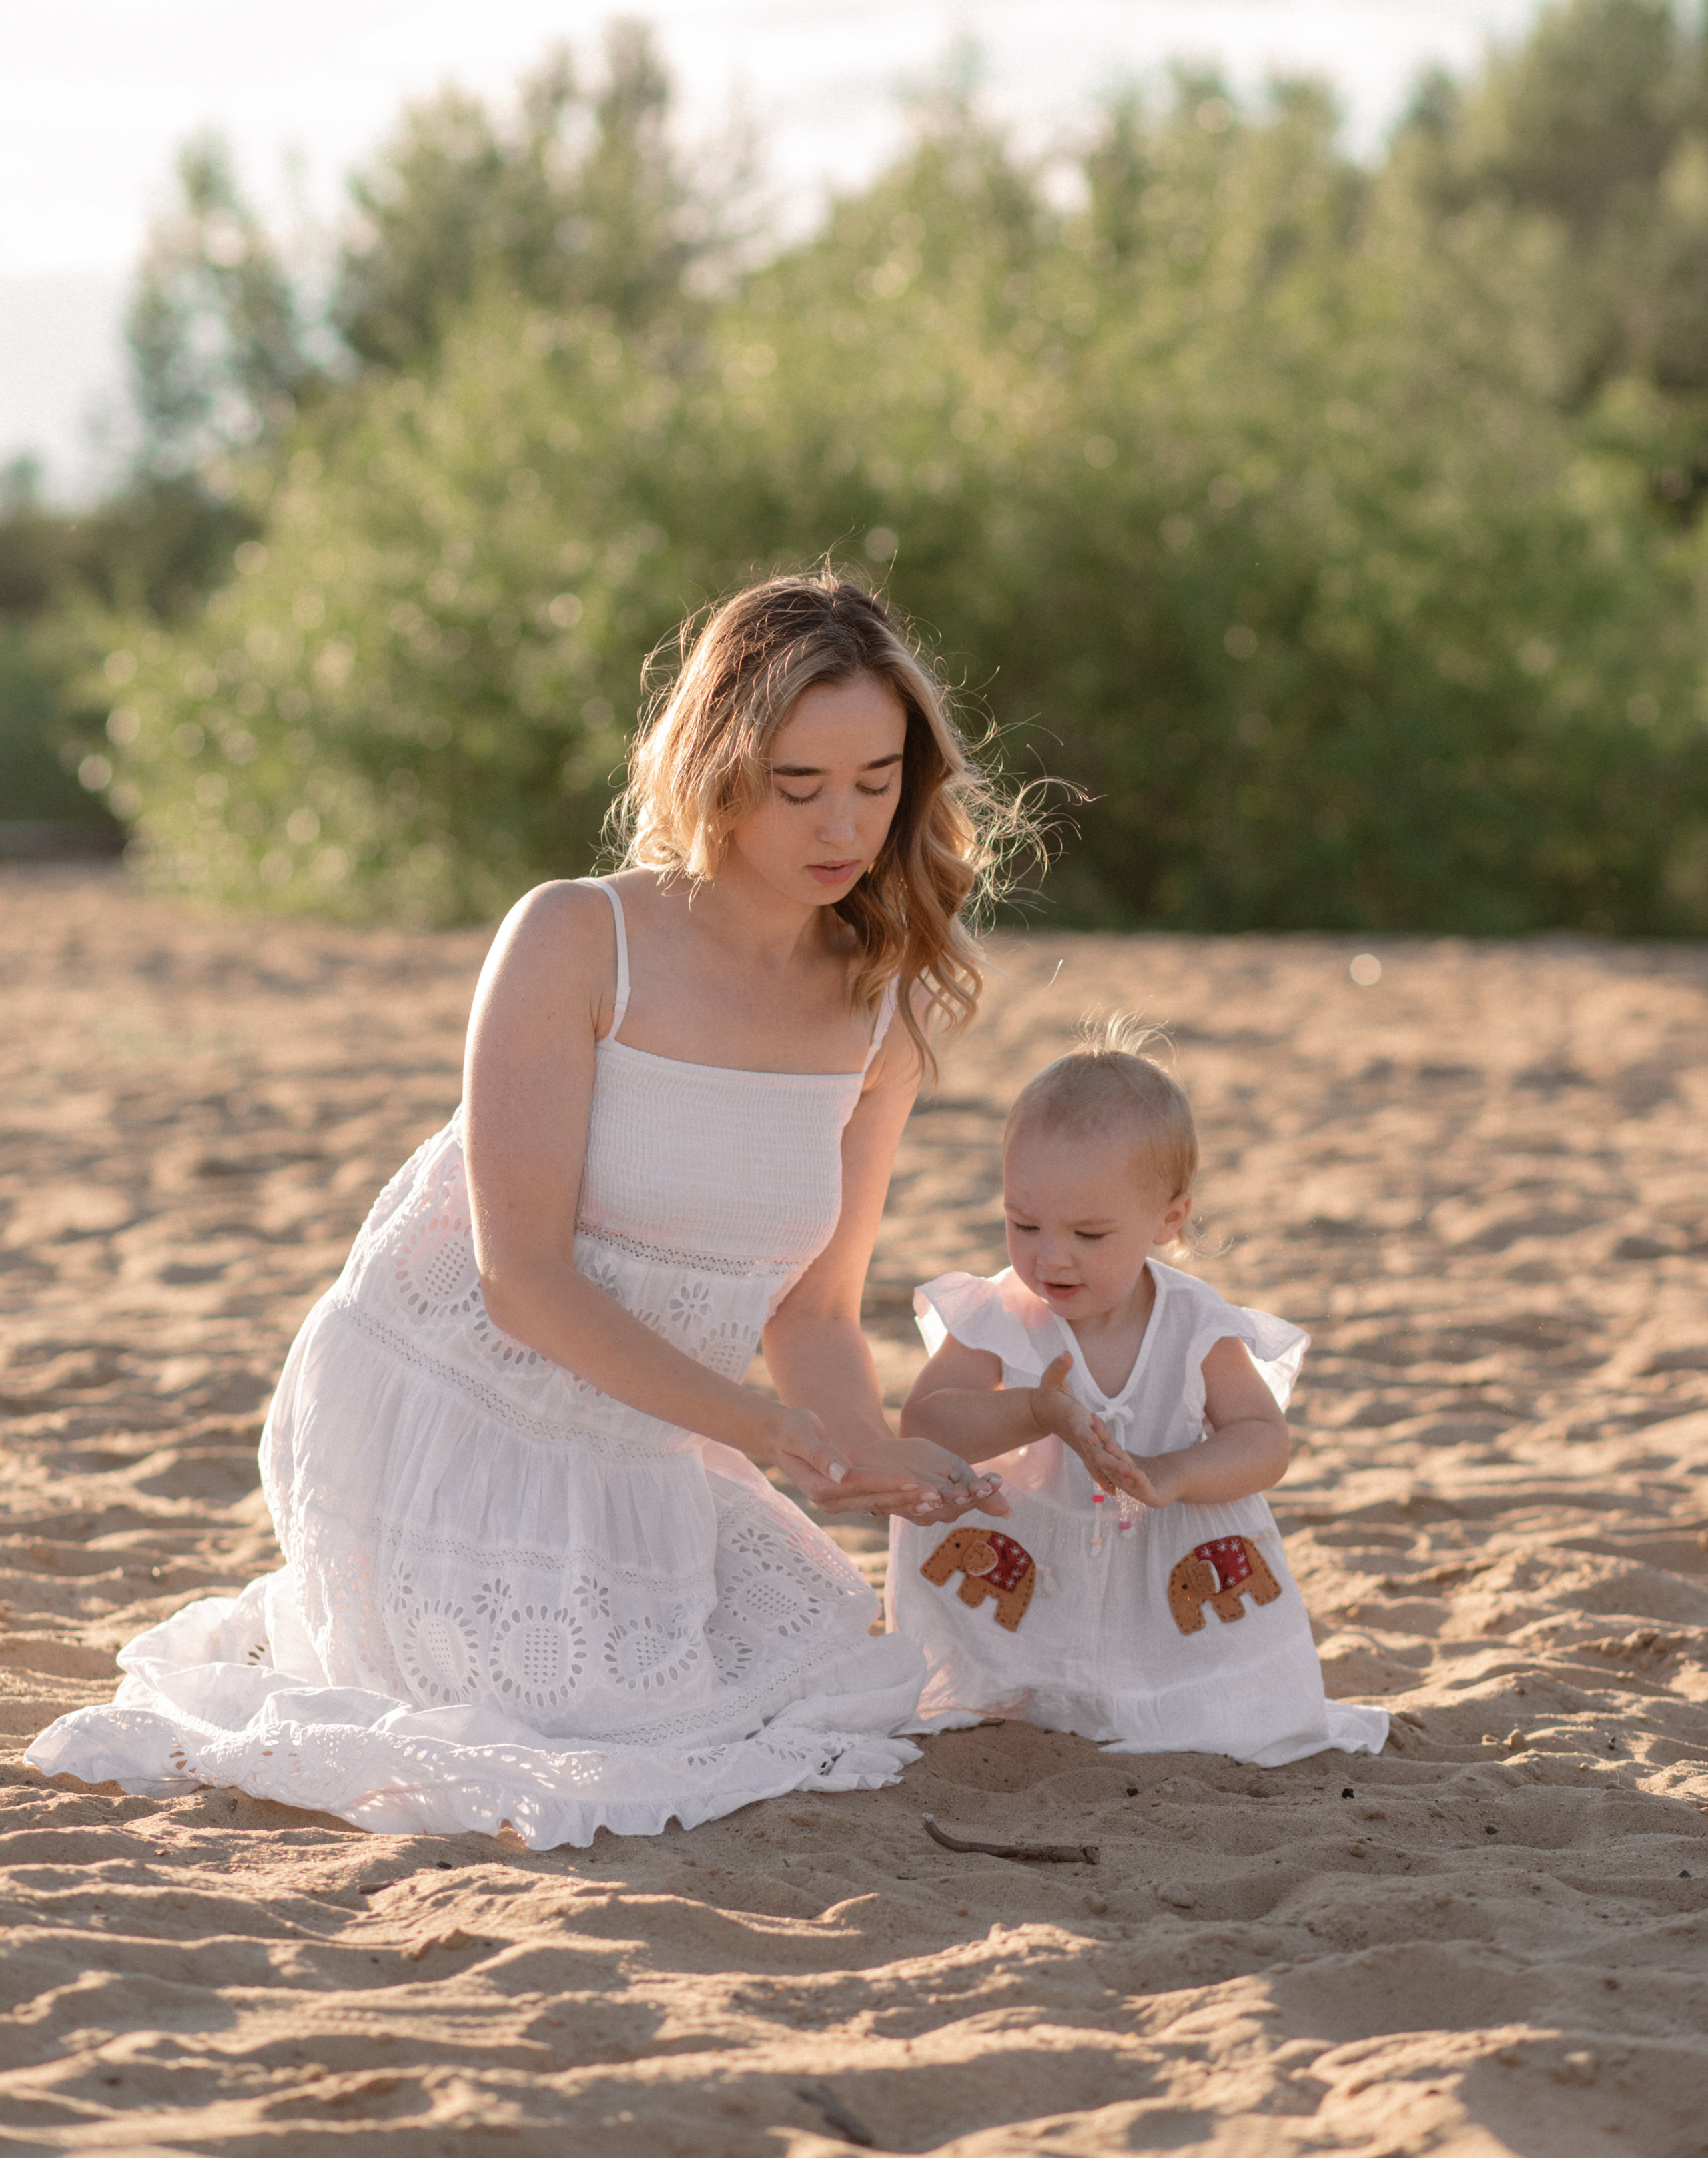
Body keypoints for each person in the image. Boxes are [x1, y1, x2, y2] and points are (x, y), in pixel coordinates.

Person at [29, 571, 1021, 1848]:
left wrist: (864, 1451)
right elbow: (524, 1281)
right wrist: (775, 1438)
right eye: (800, 785)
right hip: (452, 1410)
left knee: (828, 1682)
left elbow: (818, 1305)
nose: (846, 825)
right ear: (716, 767)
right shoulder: (574, 939)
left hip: (654, 1441)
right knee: (568, 1742)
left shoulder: (882, 1002)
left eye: (878, 783)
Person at [887, 1027, 1388, 1766]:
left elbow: (1262, 1438)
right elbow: (926, 1424)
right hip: (1026, 1555)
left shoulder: (1194, 1327)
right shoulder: (1000, 1313)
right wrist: (1032, 1412)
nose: (1048, 1255)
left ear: (1168, 1220)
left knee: (1207, 1714)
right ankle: (1025, 1693)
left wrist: (1179, 1472)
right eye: (1022, 1223)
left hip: (1163, 1562)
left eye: (1088, 1234)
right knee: (1008, 1688)